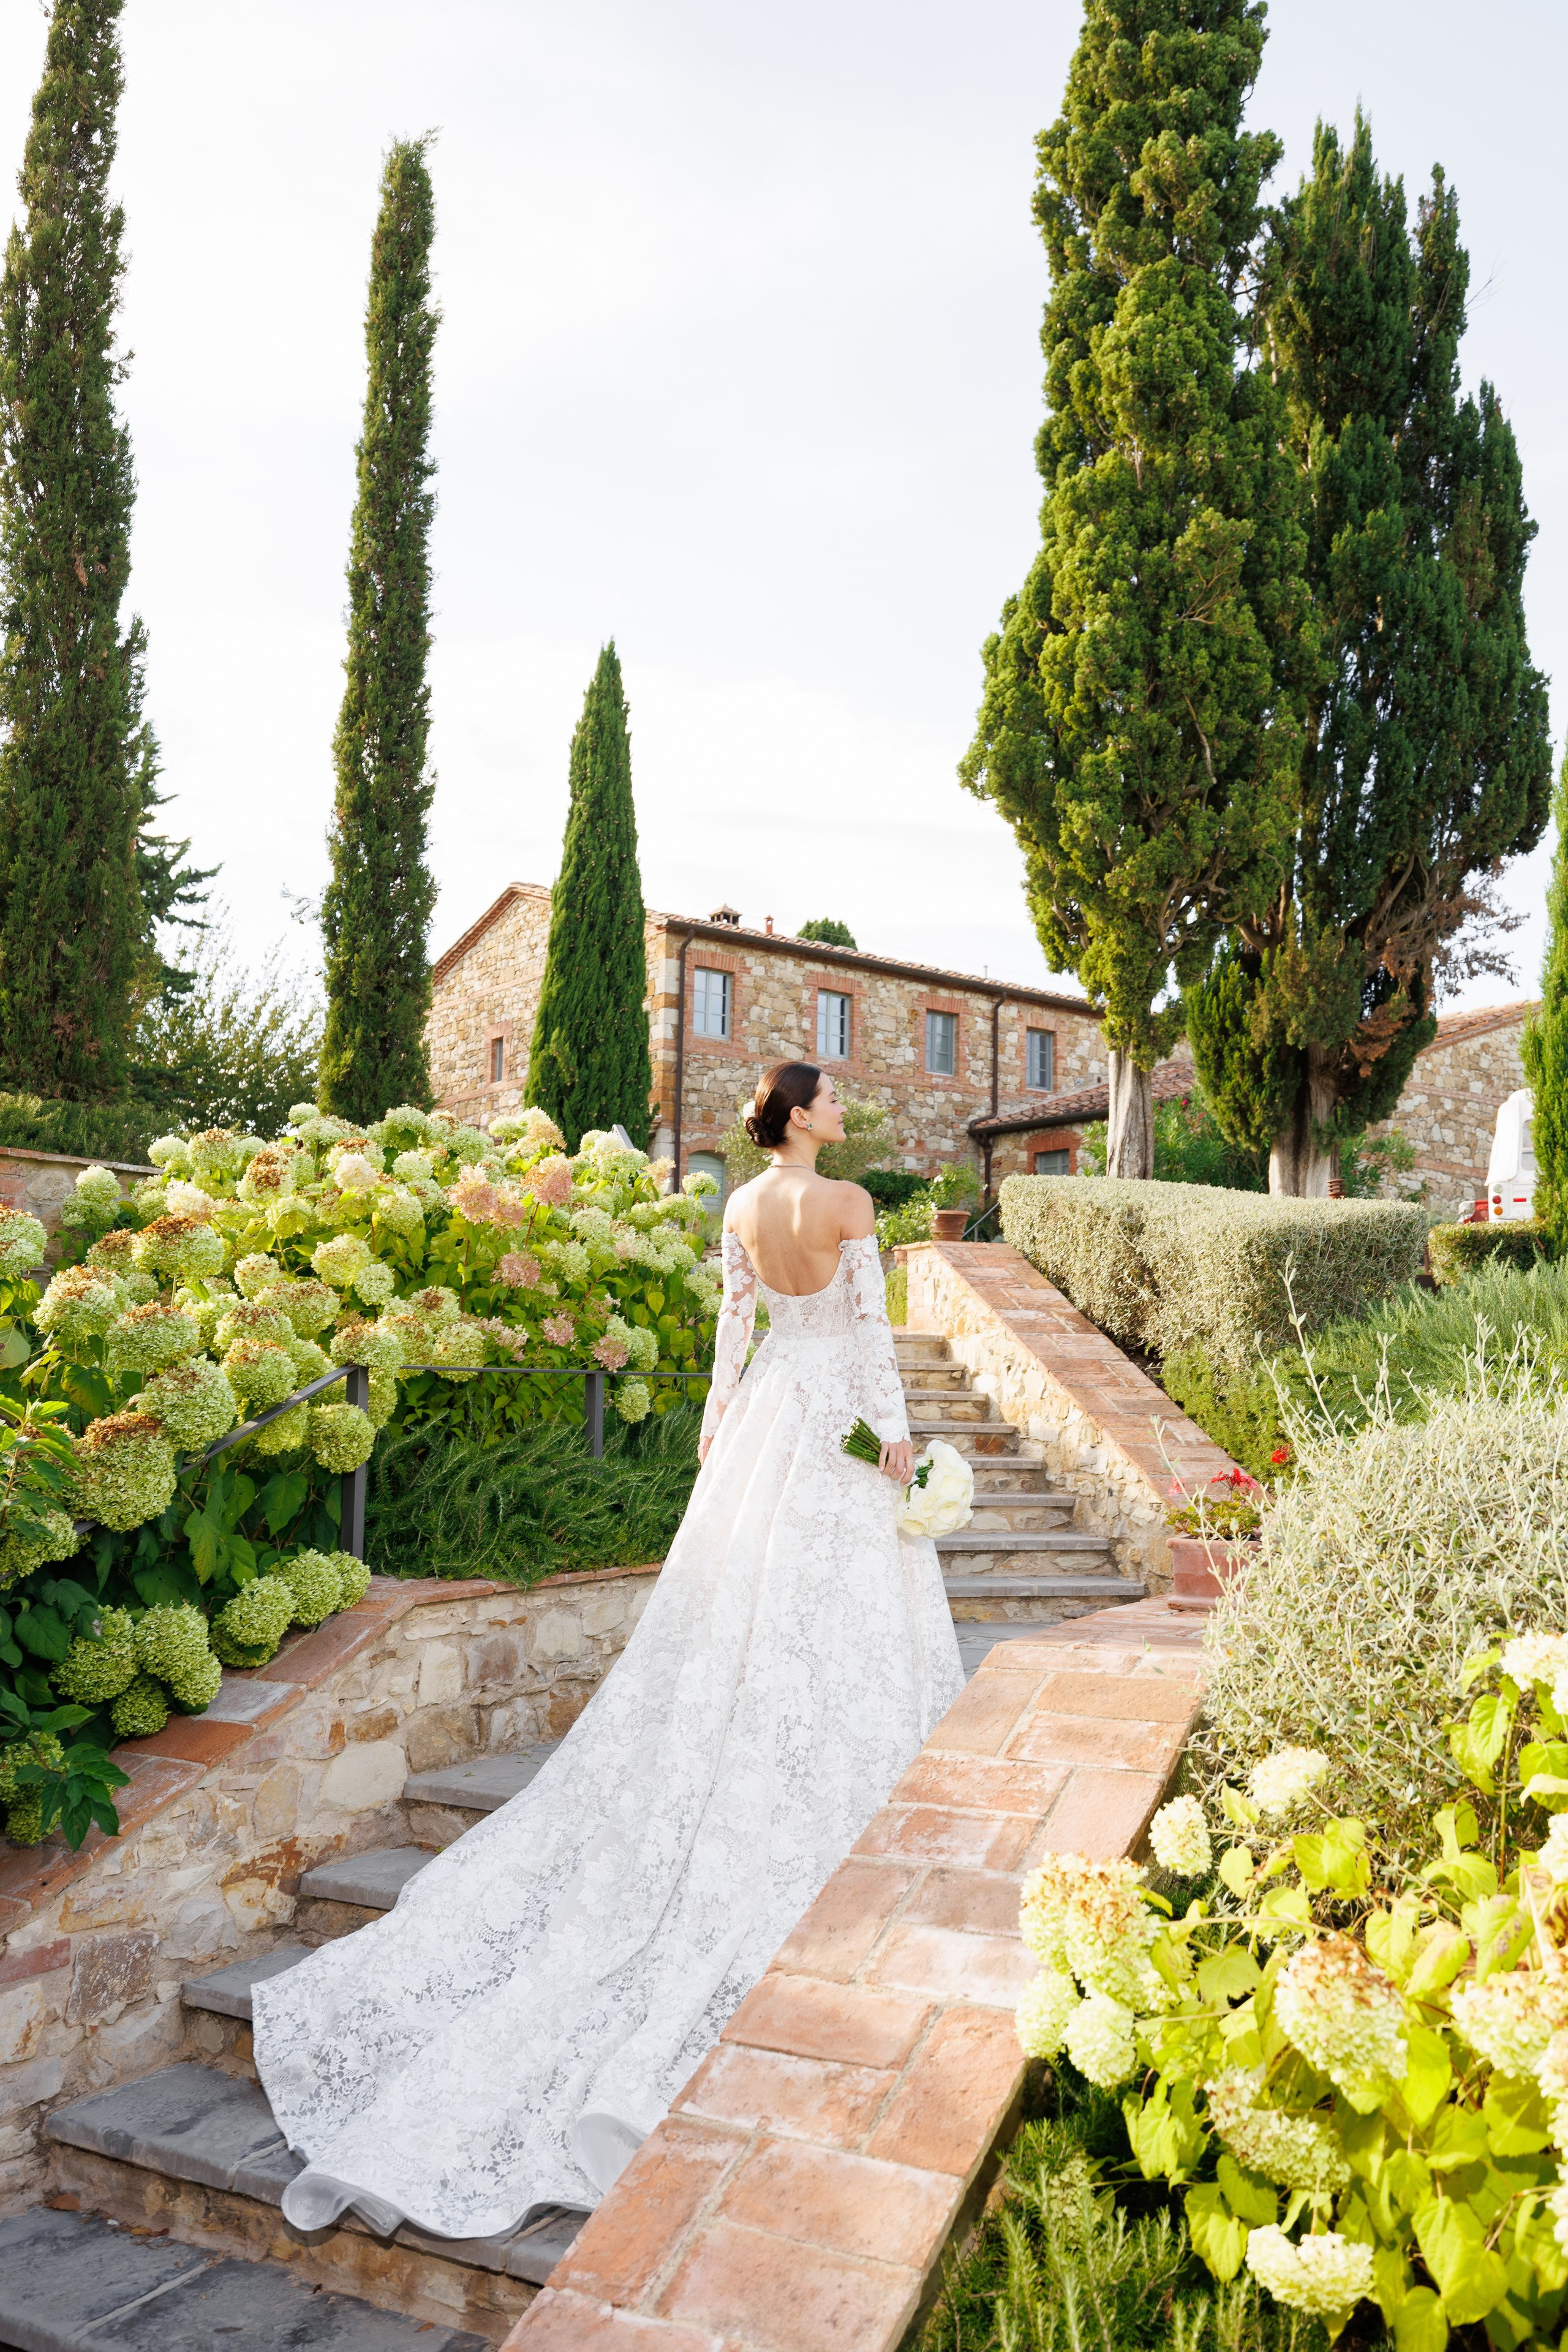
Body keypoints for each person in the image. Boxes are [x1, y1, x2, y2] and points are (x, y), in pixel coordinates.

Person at [252, 1061, 963, 2242]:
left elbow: (737, 1325)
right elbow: (871, 1341)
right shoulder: (847, 1208)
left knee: (744, 1605)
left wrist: (715, 1421)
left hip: (769, 1419)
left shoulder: (739, 1210)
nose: (842, 1114)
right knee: (831, 1612)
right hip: (833, 1423)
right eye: (831, 1100)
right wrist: (897, 1440)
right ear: (798, 1115)